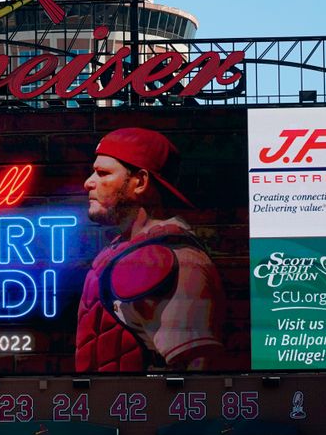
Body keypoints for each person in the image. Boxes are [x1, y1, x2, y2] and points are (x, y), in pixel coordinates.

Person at [75, 127, 226, 372]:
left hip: (144, 407)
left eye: (103, 173)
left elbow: (198, 370)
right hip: (104, 405)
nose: (88, 183)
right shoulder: (119, 251)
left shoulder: (181, 262)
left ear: (141, 182)